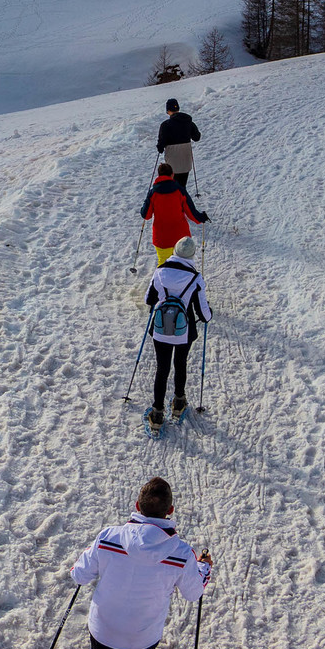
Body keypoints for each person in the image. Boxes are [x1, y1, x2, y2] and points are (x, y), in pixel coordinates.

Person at [56, 476, 212, 649]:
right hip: (141, 635)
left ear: (137, 505)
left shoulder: (109, 536)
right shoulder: (180, 553)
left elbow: (79, 574)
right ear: (170, 511)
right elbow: (192, 593)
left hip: (103, 626)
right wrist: (203, 569)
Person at [144, 233, 211, 425]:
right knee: (180, 364)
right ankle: (179, 402)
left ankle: (157, 413)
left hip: (160, 330)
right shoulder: (195, 278)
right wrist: (210, 315)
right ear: (192, 256)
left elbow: (149, 299)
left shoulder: (160, 272)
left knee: (162, 368)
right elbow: (203, 313)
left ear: (174, 251)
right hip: (184, 332)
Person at [141, 163, 208, 266]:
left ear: (158, 175)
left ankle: (163, 281)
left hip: (162, 237)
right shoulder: (180, 190)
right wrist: (201, 217)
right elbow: (191, 212)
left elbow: (146, 215)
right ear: (172, 174)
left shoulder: (153, 192)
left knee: (163, 264)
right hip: (180, 236)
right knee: (183, 265)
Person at [155, 95, 201, 186]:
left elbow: (161, 145)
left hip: (172, 162)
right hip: (186, 160)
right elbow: (197, 137)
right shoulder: (189, 122)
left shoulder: (165, 125)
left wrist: (160, 147)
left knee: (173, 186)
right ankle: (183, 199)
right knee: (182, 185)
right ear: (178, 109)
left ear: (168, 111)